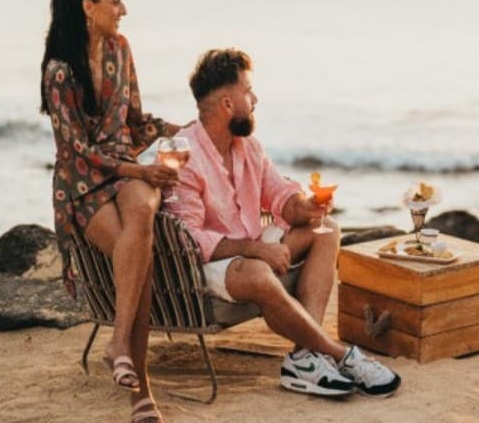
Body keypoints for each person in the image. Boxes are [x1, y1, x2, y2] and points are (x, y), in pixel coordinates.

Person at [168, 48, 401, 399]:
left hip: (251, 249)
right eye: (248, 91)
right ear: (229, 104)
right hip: (207, 265)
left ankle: (303, 357)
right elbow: (189, 239)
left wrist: (306, 207)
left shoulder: (248, 146)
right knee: (259, 273)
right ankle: (336, 354)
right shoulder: (184, 154)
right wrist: (256, 249)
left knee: (328, 229)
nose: (255, 98)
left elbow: (279, 196)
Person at [40, 0, 179, 423]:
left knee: (142, 210)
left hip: (124, 166)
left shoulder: (121, 49)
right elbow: (74, 150)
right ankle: (141, 390)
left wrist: (185, 131)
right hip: (82, 182)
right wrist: (135, 168)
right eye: (115, 1)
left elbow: (136, 122)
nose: (124, 10)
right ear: (88, 7)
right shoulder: (59, 73)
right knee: (138, 253)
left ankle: (119, 344)